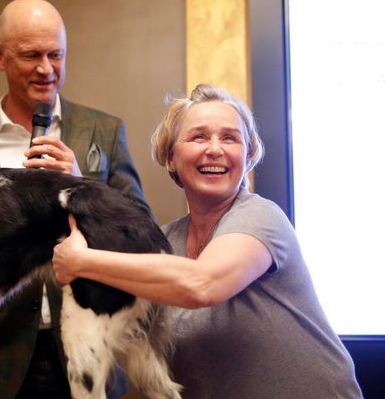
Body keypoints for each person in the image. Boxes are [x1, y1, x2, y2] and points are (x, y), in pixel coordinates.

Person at [52, 83, 363, 398]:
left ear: (248, 155)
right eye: (199, 136)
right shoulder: (165, 241)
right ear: (170, 157)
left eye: (230, 137)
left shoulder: (261, 216)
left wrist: (81, 262)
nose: (215, 149)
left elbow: (202, 284)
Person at [0, 0, 146, 397]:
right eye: (31, 55)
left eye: (56, 54)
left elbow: (140, 228)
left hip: (91, 341)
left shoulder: (104, 129)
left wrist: (83, 186)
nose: (46, 69)